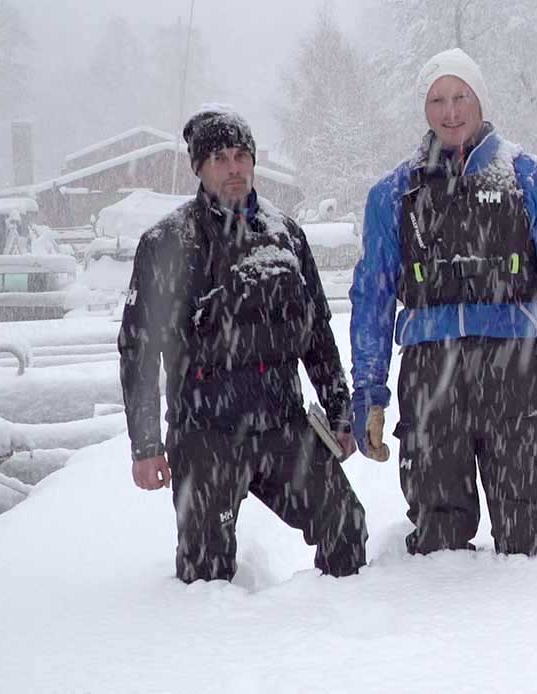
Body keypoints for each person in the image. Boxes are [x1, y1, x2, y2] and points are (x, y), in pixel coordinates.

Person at [349, 48, 537, 556]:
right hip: (430, 383)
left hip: (512, 378)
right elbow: (373, 297)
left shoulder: (531, 181)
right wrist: (367, 391)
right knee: (438, 544)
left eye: (460, 96)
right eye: (437, 99)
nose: (450, 111)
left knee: (528, 534)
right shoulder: (394, 195)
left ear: (480, 100)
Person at [118, 107, 367, 583]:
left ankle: (335, 637)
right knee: (205, 573)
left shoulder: (286, 236)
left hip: (282, 426)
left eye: (241, 156)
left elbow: (317, 333)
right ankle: (221, 650)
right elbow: (138, 353)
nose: (233, 168)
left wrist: (339, 410)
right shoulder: (166, 243)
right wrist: (146, 445)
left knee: (346, 525)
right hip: (205, 435)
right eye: (219, 158)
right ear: (199, 167)